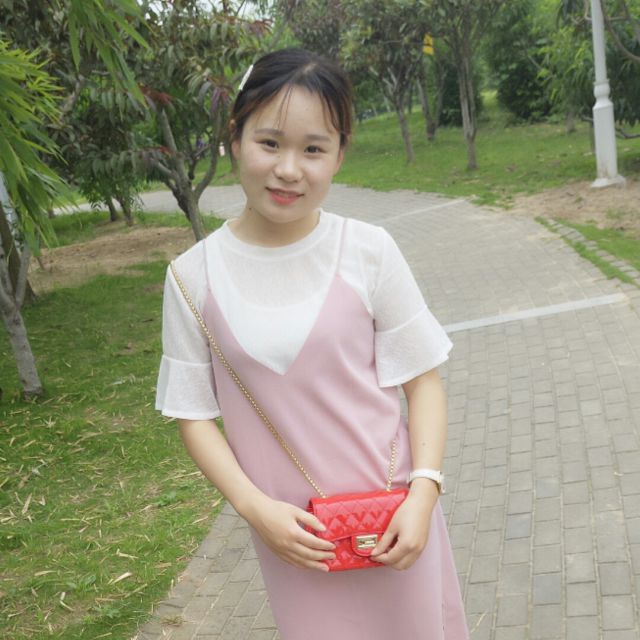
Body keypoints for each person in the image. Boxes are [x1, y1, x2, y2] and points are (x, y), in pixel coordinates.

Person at [155, 47, 469, 640]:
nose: (288, 169)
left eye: (313, 149)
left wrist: (424, 492)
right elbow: (192, 416)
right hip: (294, 538)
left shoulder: (369, 250)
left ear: (340, 154)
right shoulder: (192, 277)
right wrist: (255, 510)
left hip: (395, 518)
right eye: (269, 142)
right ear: (234, 138)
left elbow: (423, 381)